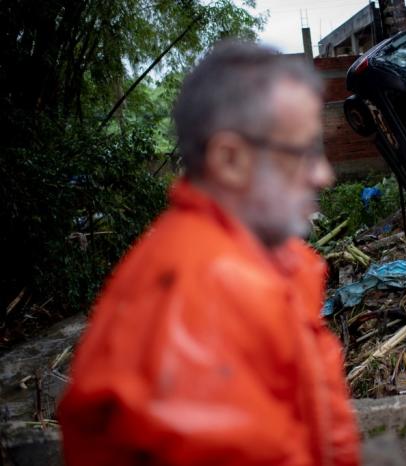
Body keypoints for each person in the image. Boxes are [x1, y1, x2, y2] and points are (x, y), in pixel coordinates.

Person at [58, 41, 360, 466]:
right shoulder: (202, 297)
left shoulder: (268, 263)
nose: (324, 175)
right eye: (304, 152)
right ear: (230, 159)